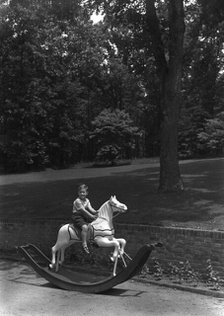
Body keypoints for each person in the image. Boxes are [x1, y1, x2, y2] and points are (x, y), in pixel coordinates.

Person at [72, 184, 98, 254]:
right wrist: (92, 216)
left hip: (84, 216)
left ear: (87, 193)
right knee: (85, 227)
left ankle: (92, 240)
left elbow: (90, 209)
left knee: (93, 225)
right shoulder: (77, 201)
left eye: (83, 192)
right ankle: (84, 244)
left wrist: (96, 212)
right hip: (77, 216)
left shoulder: (87, 200)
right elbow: (83, 211)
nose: (82, 194)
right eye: (80, 192)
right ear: (78, 193)